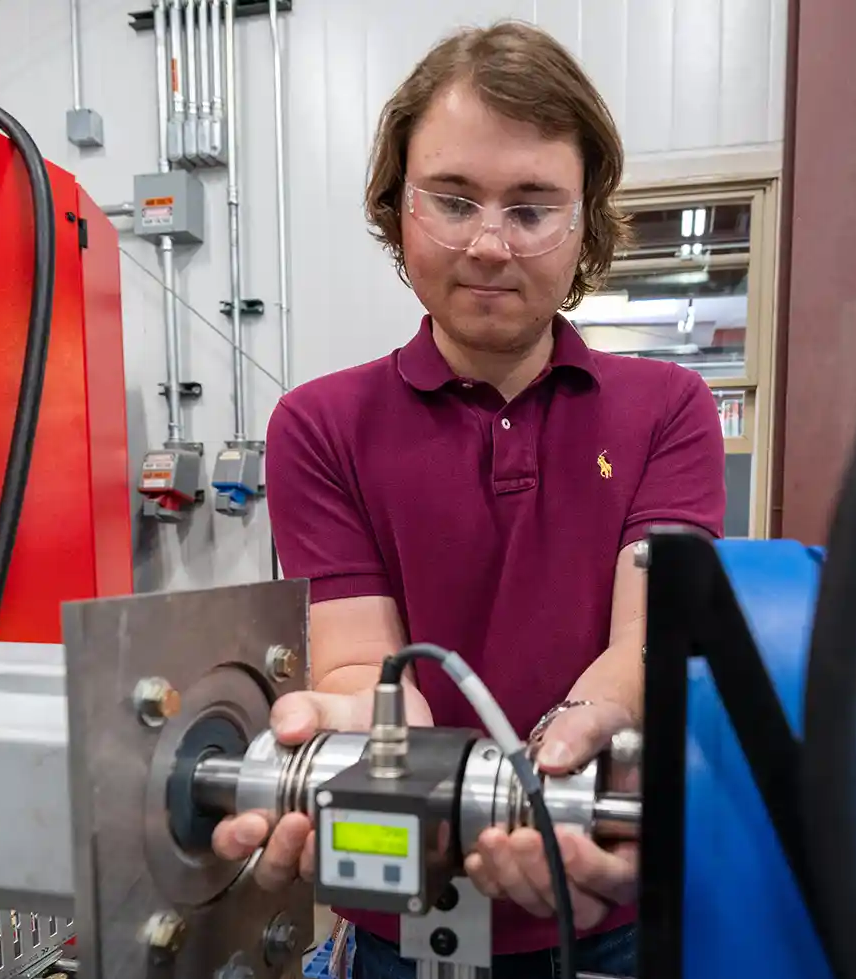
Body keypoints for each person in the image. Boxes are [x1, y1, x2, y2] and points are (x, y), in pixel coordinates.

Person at [211, 19, 725, 979]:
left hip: (605, 905)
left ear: (586, 224)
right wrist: (360, 758)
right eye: (453, 200)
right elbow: (367, 662)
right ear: (398, 211)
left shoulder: (668, 409)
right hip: (397, 925)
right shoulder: (321, 425)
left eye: (532, 207)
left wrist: (552, 771)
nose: (490, 244)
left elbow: (649, 640)